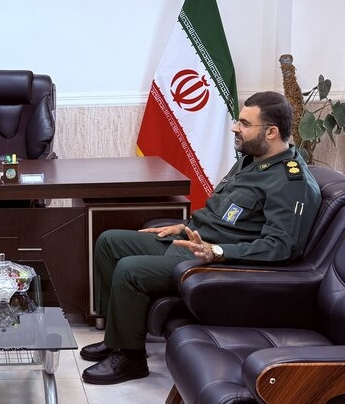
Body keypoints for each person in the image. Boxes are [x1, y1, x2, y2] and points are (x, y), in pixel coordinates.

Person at [80, 91, 322, 385]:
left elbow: (281, 247)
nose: (235, 128)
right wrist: (183, 226)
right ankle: (117, 337)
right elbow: (224, 212)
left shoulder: (291, 182)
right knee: (109, 242)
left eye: (245, 124)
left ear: (271, 132)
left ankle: (130, 359)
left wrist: (218, 251)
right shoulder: (252, 160)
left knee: (130, 269)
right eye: (238, 121)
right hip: (193, 241)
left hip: (214, 261)